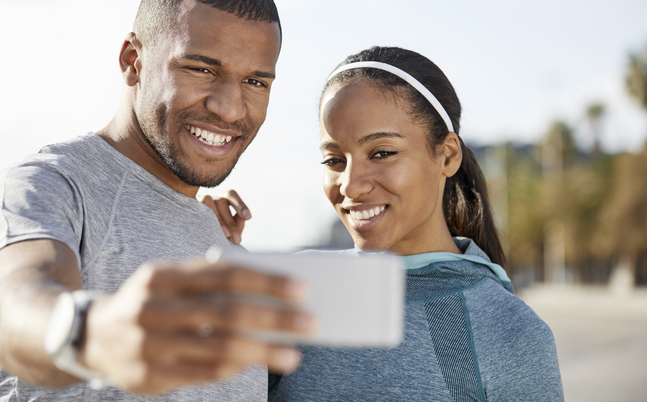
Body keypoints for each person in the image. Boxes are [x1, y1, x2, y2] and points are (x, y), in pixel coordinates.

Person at [0, 0, 316, 401]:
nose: (230, 106)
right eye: (201, 69)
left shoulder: (218, 240)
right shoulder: (42, 187)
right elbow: (16, 308)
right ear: (133, 61)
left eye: (256, 82)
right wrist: (92, 333)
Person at [209, 46, 564, 401]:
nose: (350, 183)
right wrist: (209, 251)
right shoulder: (292, 292)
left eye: (381, 153)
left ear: (448, 155)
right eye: (334, 159)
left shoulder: (511, 333)